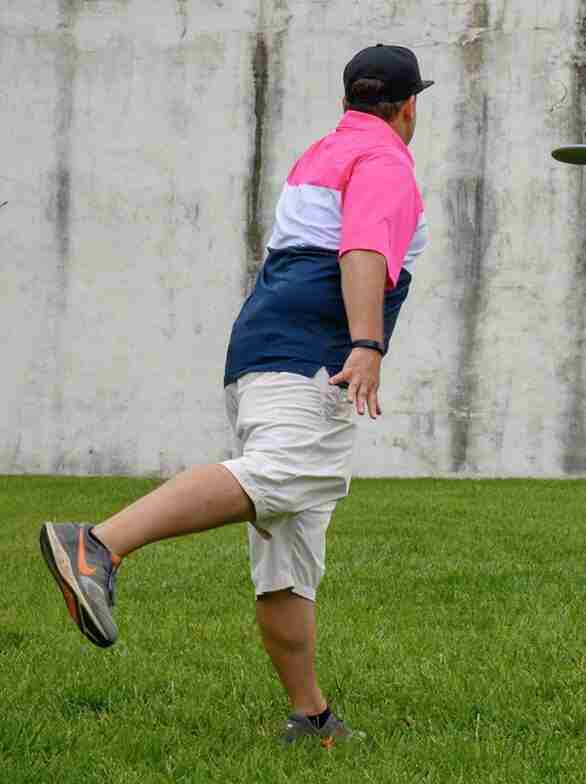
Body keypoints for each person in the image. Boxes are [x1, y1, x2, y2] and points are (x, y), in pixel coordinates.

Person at [38, 43, 433, 748]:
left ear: (351, 100)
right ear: (409, 107)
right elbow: (363, 250)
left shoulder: (323, 153)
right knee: (293, 476)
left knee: (291, 540)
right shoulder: (384, 161)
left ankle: (310, 718)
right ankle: (97, 545)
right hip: (310, 355)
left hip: (262, 350)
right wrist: (367, 344)